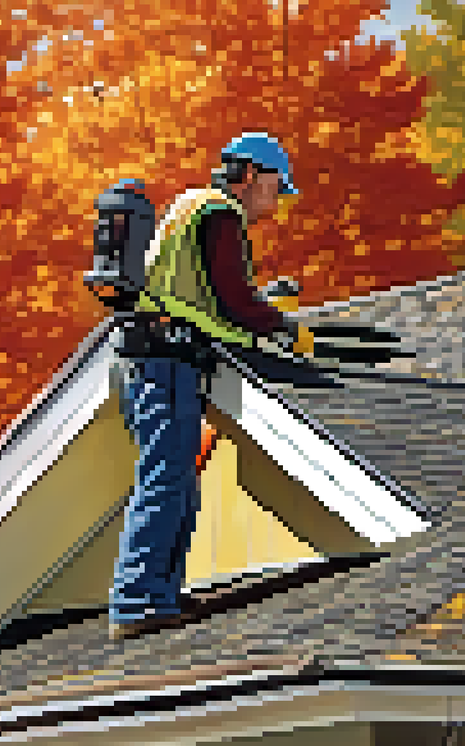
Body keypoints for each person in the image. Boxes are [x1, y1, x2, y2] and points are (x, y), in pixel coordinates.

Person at [107, 133, 300, 640]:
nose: (275, 202)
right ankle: (136, 600)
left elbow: (210, 295)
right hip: (165, 360)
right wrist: (281, 327)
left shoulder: (190, 208)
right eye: (276, 189)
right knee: (167, 478)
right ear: (253, 175)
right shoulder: (217, 214)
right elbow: (232, 300)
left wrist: (258, 309)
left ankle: (160, 594)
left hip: (154, 358)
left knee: (178, 481)